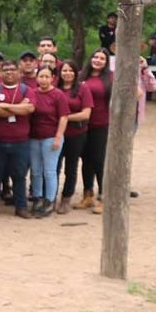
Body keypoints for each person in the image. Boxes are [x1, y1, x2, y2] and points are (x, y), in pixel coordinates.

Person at [0, 60, 34, 219]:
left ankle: (21, 207)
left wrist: (4, 105)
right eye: (6, 70)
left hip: (20, 141)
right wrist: (19, 107)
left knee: (19, 175)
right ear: (1, 73)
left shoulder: (26, 90)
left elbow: (30, 108)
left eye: (13, 69)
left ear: (19, 72)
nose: (9, 72)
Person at [27, 66, 70, 219]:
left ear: (52, 78)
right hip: (34, 138)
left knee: (49, 171)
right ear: (37, 78)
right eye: (41, 76)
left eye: (47, 77)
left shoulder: (58, 95)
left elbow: (63, 117)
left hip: (51, 137)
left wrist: (58, 137)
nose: (44, 79)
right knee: (36, 170)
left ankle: (49, 200)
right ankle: (37, 198)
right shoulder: (32, 93)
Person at [57, 61, 94, 212]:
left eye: (70, 70)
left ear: (76, 73)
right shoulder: (55, 88)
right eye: (64, 70)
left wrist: (64, 117)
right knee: (54, 167)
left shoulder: (82, 89)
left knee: (71, 167)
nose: (67, 73)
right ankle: (50, 197)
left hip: (76, 134)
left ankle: (66, 198)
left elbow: (86, 114)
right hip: (56, 134)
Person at [78, 49, 112, 212]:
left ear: (106, 62)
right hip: (83, 124)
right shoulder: (81, 76)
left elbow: (135, 93)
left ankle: (105, 197)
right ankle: (88, 195)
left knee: (99, 160)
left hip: (101, 123)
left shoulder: (111, 77)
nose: (97, 60)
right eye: (95, 57)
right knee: (86, 160)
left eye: (102, 58)